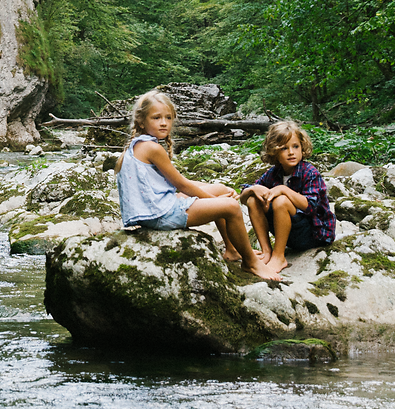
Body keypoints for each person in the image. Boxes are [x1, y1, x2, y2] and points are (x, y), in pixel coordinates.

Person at [116, 90, 280, 278]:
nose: (163, 123)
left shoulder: (139, 144)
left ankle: (232, 249)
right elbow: (182, 185)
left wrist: (217, 192)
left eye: (168, 117)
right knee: (231, 206)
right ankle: (251, 263)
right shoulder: (152, 148)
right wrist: (214, 200)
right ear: (141, 121)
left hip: (154, 208)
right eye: (156, 117)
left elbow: (177, 182)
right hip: (159, 214)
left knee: (220, 190)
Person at [240, 119, 335, 271]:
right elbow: (244, 197)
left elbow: (311, 206)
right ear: (274, 153)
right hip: (288, 234)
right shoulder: (274, 173)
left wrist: (284, 190)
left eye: (295, 146)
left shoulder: (310, 172)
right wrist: (253, 189)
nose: (291, 152)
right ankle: (267, 251)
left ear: (302, 148)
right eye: (284, 148)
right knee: (253, 199)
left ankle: (279, 257)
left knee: (281, 201)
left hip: (312, 234)